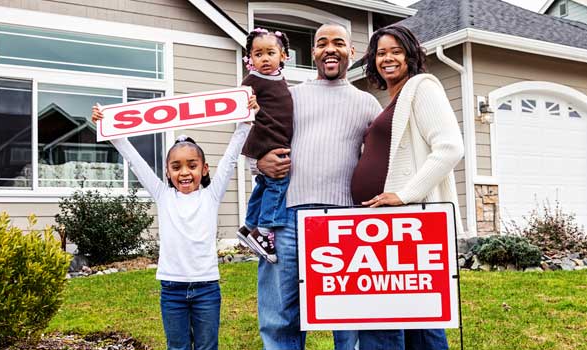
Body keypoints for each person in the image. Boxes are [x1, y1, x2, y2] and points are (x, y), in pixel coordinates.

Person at [253, 23, 383, 350]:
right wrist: (259, 162)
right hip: (287, 219)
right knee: (281, 315)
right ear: (312, 53)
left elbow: (384, 158)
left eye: (338, 43)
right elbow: (255, 140)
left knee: (348, 314)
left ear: (352, 52)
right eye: (321, 43)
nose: (330, 49)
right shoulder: (289, 97)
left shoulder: (368, 104)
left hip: (344, 221)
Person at [90, 97, 257, 350]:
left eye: (192, 165)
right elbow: (135, 161)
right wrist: (111, 130)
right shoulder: (163, 195)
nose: (185, 172)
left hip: (206, 290)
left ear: (204, 169)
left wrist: (245, 121)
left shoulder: (211, 196)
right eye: (176, 167)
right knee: (177, 347)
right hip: (172, 291)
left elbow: (231, 158)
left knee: (207, 347)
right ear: (167, 172)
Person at [350, 24, 465, 350]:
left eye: (395, 51)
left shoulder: (422, 87)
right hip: (386, 227)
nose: (388, 58)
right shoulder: (390, 100)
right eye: (381, 53)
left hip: (411, 225)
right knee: (407, 316)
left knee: (415, 317)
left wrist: (404, 195)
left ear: (410, 55)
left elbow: (450, 148)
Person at [235, 27, 294, 264]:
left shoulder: (280, 79)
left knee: (264, 185)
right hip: (265, 140)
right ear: (250, 59)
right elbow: (238, 101)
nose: (265, 58)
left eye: (270, 53)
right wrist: (247, 102)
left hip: (274, 139)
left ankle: (249, 226)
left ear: (283, 56)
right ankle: (265, 231)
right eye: (258, 54)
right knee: (279, 183)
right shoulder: (252, 80)